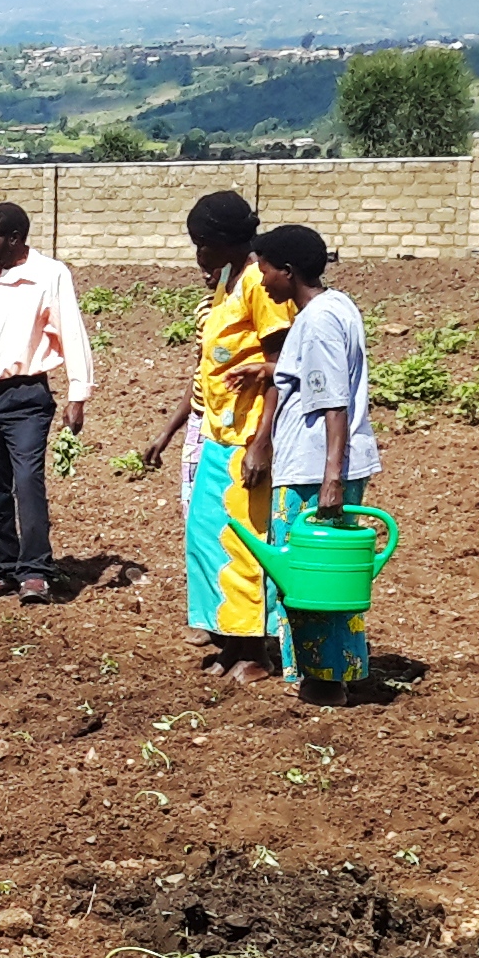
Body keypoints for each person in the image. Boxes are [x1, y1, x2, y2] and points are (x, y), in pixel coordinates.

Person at [143, 191, 296, 681]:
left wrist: (262, 442)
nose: (199, 254)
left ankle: (256, 652)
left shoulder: (259, 285)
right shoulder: (227, 284)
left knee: (245, 544)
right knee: (208, 539)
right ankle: (230, 641)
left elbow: (280, 368)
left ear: (226, 241)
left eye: (202, 243)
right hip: (216, 431)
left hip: (247, 438)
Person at [246, 224, 381, 702]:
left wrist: (330, 478)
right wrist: (272, 370)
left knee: (303, 576)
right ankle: (336, 673)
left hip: (311, 468)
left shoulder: (317, 321)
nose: (262, 281)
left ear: (288, 271)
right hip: (328, 464)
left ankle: (318, 680)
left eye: (265, 270)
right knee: (334, 574)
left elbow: (333, 401)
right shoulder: (337, 306)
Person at [0, 201, 93, 603]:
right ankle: (4, 567)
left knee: (27, 483)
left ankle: (35, 571)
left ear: (14, 239)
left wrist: (77, 394)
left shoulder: (49, 275)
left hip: (26, 396)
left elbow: (72, 332)